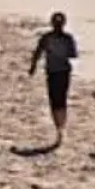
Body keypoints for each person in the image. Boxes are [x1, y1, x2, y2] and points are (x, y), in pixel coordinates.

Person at [29, 12, 78, 146]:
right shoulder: (68, 38)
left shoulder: (47, 37)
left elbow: (37, 52)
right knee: (62, 99)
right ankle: (61, 128)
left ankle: (59, 128)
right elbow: (73, 54)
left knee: (54, 100)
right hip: (64, 70)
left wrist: (33, 66)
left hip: (52, 71)